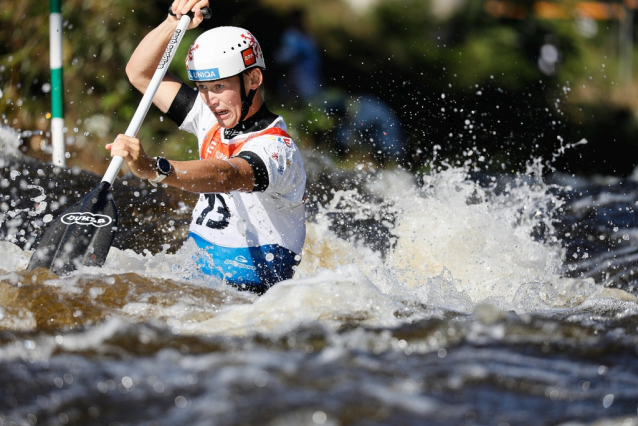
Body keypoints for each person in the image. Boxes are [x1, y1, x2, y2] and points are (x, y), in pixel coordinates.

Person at [106, 0, 307, 295]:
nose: (210, 101)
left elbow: (229, 176)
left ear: (253, 79)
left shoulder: (279, 149)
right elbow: (141, 74)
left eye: (219, 87)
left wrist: (155, 168)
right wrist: (173, 21)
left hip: (251, 297)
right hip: (192, 277)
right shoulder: (208, 115)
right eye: (202, 88)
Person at [274, 8, 322, 103]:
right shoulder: (290, 36)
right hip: (296, 78)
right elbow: (285, 57)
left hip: (311, 76)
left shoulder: (309, 37)